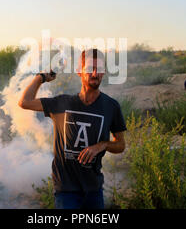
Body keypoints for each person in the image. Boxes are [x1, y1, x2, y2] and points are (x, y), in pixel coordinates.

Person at [18, 49, 126, 209]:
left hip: (94, 190)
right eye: (89, 68)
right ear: (79, 72)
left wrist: (102, 145)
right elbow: (25, 102)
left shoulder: (111, 106)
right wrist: (41, 78)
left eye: (100, 69)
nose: (95, 73)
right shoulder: (62, 103)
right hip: (66, 192)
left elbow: (120, 145)